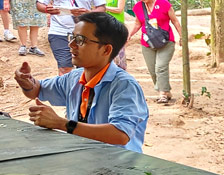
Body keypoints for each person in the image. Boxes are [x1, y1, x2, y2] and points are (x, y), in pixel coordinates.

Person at [13, 12, 149, 152]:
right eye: (72, 37)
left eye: (80, 40)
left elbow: (120, 135)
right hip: (85, 158)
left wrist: (62, 124)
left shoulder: (124, 86)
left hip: (118, 164)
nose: (71, 44)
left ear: (106, 50)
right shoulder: (74, 78)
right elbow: (38, 89)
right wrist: (27, 82)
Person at [128, 0, 181, 104]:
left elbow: (175, 21)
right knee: (153, 70)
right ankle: (166, 91)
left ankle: (162, 94)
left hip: (166, 41)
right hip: (148, 43)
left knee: (160, 67)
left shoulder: (164, 4)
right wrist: (129, 35)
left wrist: (182, 36)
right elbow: (137, 23)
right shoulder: (138, 7)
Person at [100, 0, 128, 70]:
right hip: (106, 24)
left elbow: (119, 9)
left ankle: (121, 67)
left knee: (118, 47)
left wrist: (105, 8)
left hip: (117, 24)